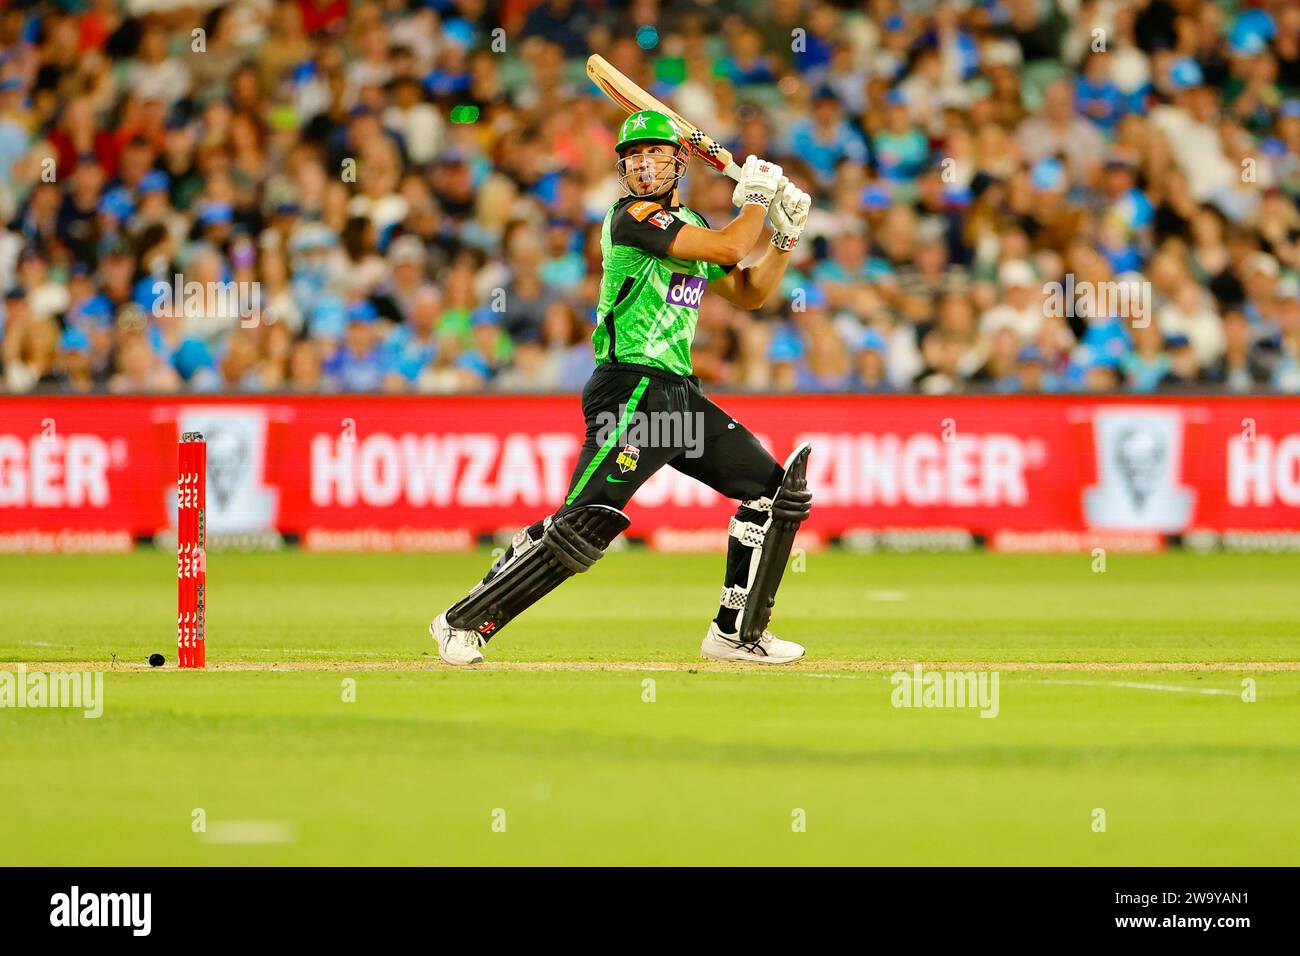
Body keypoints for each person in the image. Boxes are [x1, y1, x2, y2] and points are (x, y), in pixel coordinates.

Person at [431, 110, 814, 666]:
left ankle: (737, 633)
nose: (642, 163)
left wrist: (784, 234)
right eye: (633, 155)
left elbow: (750, 291)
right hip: (629, 387)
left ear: (679, 161)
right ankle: (463, 621)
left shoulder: (688, 224)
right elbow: (733, 248)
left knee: (773, 494)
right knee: (585, 521)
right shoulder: (631, 218)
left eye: (656, 152)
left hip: (677, 394)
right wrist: (757, 197)